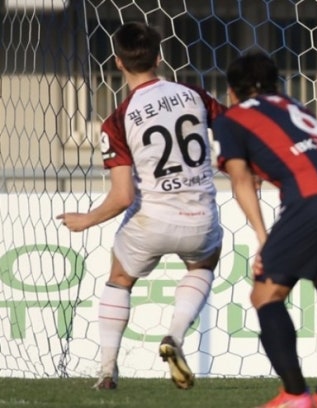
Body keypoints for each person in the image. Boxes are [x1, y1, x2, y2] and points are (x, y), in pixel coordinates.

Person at [56, 22, 225, 390]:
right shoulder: (194, 95)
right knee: (204, 263)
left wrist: (88, 219)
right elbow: (234, 130)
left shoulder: (117, 120)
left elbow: (123, 197)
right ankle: (175, 337)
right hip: (200, 218)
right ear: (159, 57)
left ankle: (106, 370)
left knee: (119, 278)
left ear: (117, 62)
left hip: (151, 220)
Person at [211, 51, 317, 408]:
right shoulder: (292, 105)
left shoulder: (232, 118)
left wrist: (264, 240)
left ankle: (295, 394)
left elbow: (241, 180)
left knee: (265, 295)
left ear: (232, 92)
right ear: (275, 84)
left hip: (313, 198)